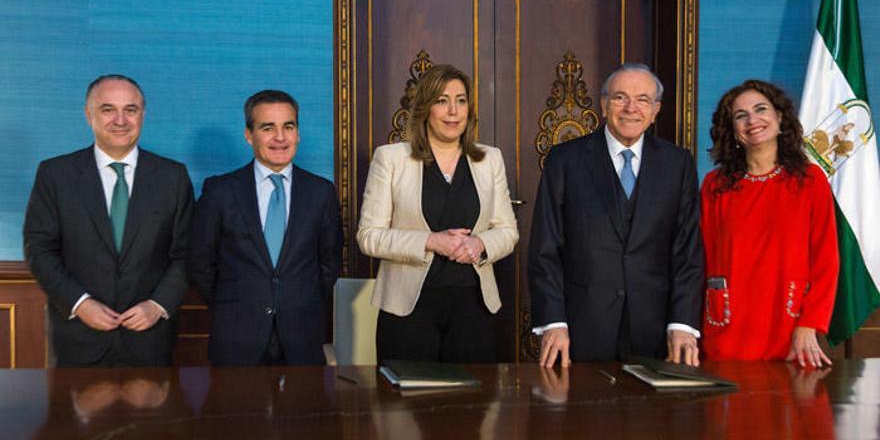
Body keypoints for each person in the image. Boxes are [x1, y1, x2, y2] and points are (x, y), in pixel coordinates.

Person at [529, 63, 704, 367]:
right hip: (582, 328)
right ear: (603, 104)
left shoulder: (678, 164)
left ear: (656, 110)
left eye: (643, 100)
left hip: (656, 330)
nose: (631, 108)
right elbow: (545, 249)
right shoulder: (564, 160)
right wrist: (554, 321)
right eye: (620, 97)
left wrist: (682, 324)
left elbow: (687, 251)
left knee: (652, 414)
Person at [23, 74, 194, 367]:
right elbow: (40, 249)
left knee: (157, 416)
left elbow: (187, 252)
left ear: (143, 114)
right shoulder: (55, 175)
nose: (120, 120)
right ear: (89, 114)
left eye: (130, 109)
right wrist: (80, 303)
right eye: (107, 109)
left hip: (150, 340)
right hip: (78, 338)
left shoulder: (173, 177)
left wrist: (157, 305)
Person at [357, 64, 518, 363]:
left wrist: (480, 244)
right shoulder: (391, 159)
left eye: (461, 100)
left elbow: (508, 231)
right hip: (408, 311)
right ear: (425, 108)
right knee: (405, 406)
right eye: (442, 100)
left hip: (475, 308)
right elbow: (369, 237)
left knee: (470, 407)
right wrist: (430, 241)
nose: (453, 111)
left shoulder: (490, 159)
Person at [187, 89, 342, 366]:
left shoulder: (321, 192)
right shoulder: (220, 191)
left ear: (298, 134)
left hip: (302, 336)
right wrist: (237, 302)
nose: (280, 137)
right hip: (237, 337)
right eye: (267, 128)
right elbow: (200, 262)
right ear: (249, 135)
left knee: (306, 409)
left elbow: (329, 264)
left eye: (288, 127)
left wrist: (297, 301)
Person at [701, 79, 838, 367]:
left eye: (761, 109)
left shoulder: (810, 182)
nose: (753, 120)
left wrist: (809, 324)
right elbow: (702, 259)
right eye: (741, 115)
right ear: (733, 131)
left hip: (790, 327)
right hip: (727, 327)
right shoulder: (715, 185)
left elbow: (826, 262)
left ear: (780, 117)